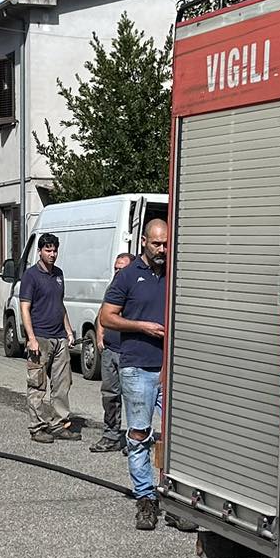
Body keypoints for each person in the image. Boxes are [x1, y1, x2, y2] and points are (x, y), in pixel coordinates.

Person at [101, 218, 168, 529]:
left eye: (166, 243)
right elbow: (107, 317)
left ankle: (177, 499)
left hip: (171, 369)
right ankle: (146, 500)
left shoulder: (175, 272)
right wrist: (142, 326)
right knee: (139, 434)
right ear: (144, 241)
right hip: (137, 366)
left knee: (176, 437)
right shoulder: (128, 276)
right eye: (156, 243)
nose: (162, 249)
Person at [19, 232, 78, 444]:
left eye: (55, 250)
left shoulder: (59, 274)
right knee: (37, 384)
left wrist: (69, 331)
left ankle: (59, 424)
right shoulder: (31, 276)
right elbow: (24, 308)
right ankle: (37, 427)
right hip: (40, 338)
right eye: (48, 250)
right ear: (40, 251)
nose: (52, 254)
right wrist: (31, 338)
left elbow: (60, 305)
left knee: (62, 384)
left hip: (59, 337)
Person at [90, 251, 133, 453]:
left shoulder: (135, 289)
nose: (117, 272)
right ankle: (111, 436)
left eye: (121, 268)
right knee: (110, 395)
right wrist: (100, 336)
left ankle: (135, 439)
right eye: (115, 268)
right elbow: (102, 313)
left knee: (134, 397)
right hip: (110, 350)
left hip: (128, 352)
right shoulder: (113, 287)